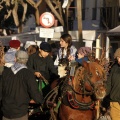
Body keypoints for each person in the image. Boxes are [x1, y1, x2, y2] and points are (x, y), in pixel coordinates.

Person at [0, 50, 44, 120]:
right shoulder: (28, 74)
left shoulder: (5, 72)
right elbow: (34, 92)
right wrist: (42, 101)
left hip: (6, 112)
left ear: (15, 59)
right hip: (20, 113)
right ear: (26, 60)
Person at [105, 48, 120, 120]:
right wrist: (102, 96)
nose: (119, 60)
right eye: (118, 58)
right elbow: (109, 84)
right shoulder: (114, 68)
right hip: (114, 103)